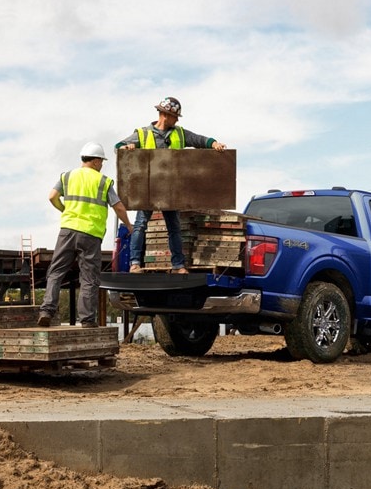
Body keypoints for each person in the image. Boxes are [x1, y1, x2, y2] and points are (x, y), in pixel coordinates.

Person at [117, 96, 228, 274]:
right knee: (140, 225)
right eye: (175, 116)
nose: (177, 120)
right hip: (149, 188)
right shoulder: (143, 133)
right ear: (165, 115)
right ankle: (135, 263)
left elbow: (199, 140)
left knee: (174, 228)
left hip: (171, 189)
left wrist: (214, 143)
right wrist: (126, 148)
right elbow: (119, 145)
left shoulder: (180, 134)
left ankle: (178, 266)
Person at [38, 142, 133, 328]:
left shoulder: (67, 176)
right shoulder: (103, 181)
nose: (102, 165)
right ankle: (87, 320)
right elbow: (119, 207)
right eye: (102, 161)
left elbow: (52, 196)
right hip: (90, 234)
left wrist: (64, 209)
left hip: (67, 230)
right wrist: (129, 226)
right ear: (96, 161)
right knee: (89, 278)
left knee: (56, 272)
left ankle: (46, 311)